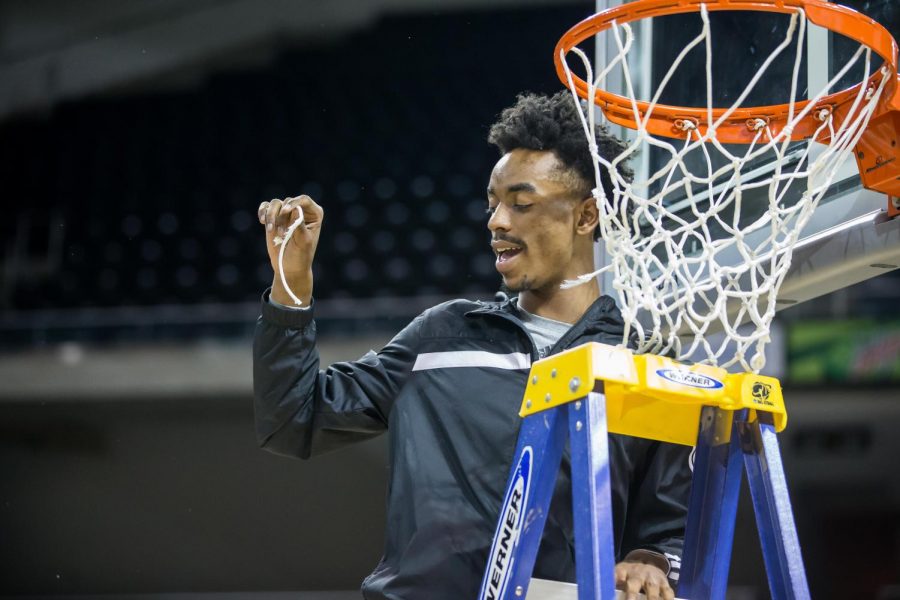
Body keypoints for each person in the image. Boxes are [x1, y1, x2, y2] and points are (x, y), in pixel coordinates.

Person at [254, 91, 692, 600]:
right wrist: (291, 288)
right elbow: (292, 421)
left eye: (521, 204)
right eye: (493, 204)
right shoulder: (440, 336)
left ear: (586, 216)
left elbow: (669, 526)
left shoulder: (643, 363)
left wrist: (650, 561)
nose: (497, 221)